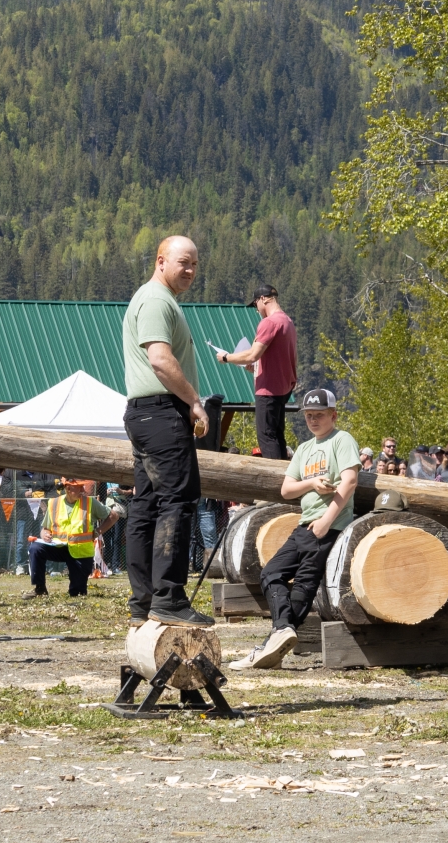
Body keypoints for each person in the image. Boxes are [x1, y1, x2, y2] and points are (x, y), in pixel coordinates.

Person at [121, 236, 213, 629]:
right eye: (182, 262)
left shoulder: (154, 298)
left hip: (145, 414)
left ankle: (144, 600)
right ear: (161, 261)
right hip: (162, 412)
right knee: (178, 501)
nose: (189, 270)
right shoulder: (158, 300)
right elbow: (160, 359)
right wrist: (194, 400)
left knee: (147, 503)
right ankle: (169, 599)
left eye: (194, 264)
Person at [232, 388, 359, 671]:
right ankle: (280, 633)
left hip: (329, 525)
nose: (313, 420)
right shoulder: (304, 449)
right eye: (309, 415)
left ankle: (273, 643)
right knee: (271, 572)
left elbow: (350, 482)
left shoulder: (342, 440)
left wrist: (327, 520)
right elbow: (287, 489)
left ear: (333, 415)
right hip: (304, 525)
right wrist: (312, 484)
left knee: (303, 586)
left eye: (320, 415)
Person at [216, 285, 297, 460]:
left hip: (268, 390)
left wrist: (226, 357)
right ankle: (283, 476)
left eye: (255, 305)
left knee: (266, 437)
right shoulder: (287, 322)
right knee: (277, 435)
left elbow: (252, 354)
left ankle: (273, 480)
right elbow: (278, 358)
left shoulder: (269, 322)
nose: (256, 310)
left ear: (263, 299)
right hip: (283, 387)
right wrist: (256, 368)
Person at [27, 480, 118, 597]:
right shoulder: (54, 503)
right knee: (35, 548)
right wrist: (44, 534)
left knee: (77, 593)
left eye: (82, 487)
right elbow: (44, 529)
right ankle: (39, 589)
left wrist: (97, 532)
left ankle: (76, 589)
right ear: (68, 489)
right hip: (59, 548)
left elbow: (113, 516)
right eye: (79, 487)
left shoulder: (90, 502)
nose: (83, 490)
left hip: (80, 553)